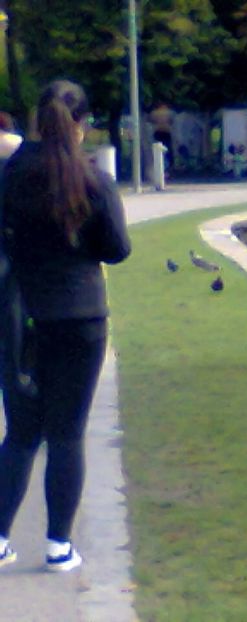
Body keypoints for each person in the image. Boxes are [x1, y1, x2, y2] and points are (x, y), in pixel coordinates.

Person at [0, 80, 131, 572]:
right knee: (68, 433)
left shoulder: (12, 174)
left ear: (37, 120)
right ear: (83, 125)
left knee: (21, 433)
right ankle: (58, 545)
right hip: (80, 315)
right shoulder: (92, 178)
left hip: (22, 315)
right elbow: (117, 249)